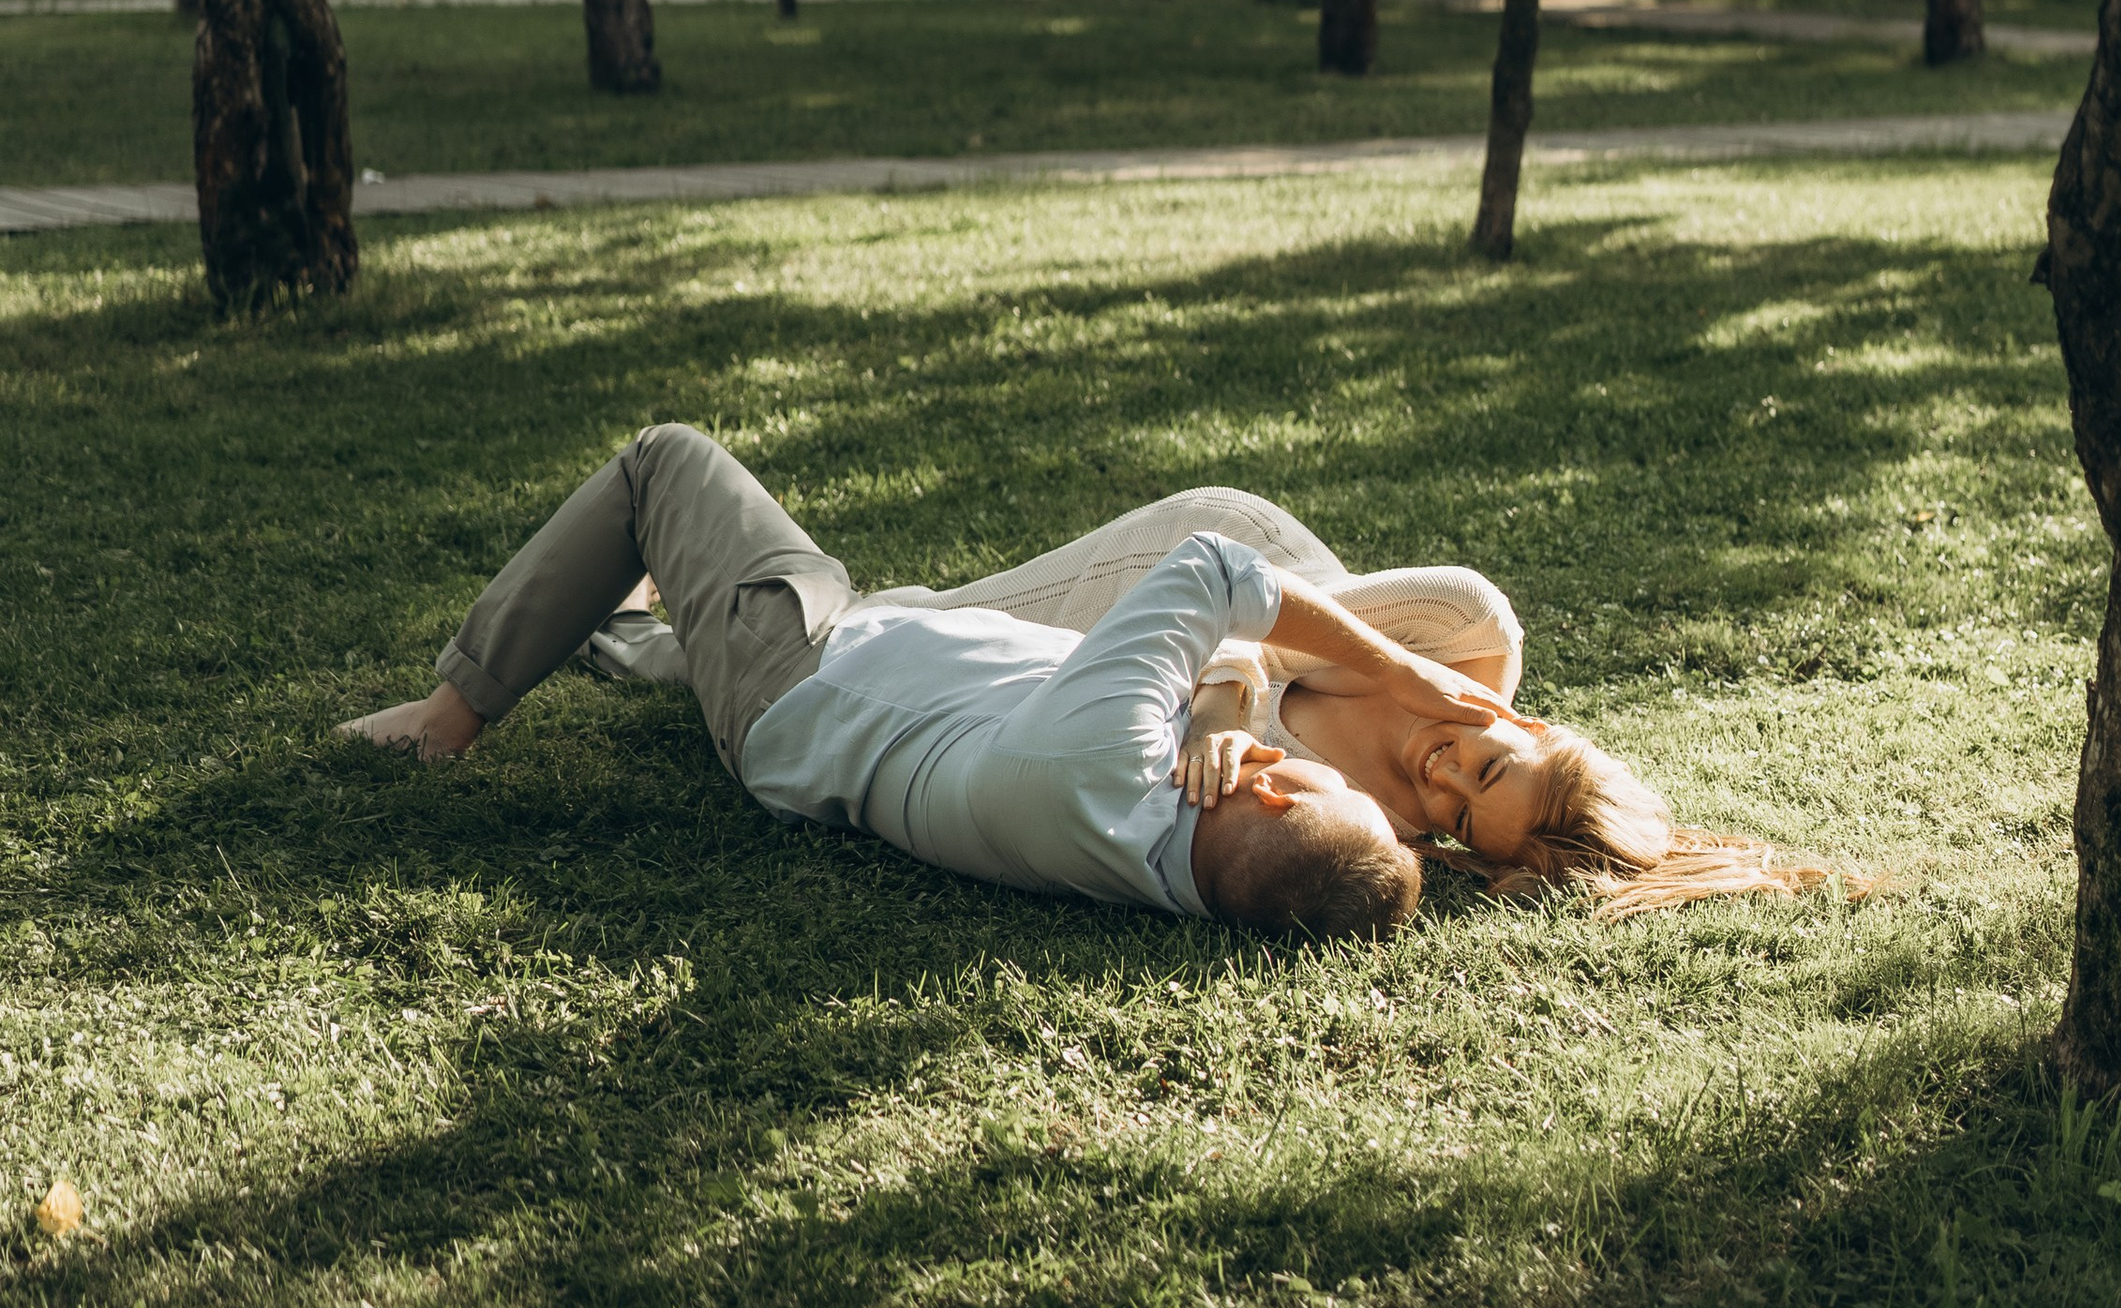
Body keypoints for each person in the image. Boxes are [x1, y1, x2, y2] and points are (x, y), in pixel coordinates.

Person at [348, 448, 1844, 922]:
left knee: (690, 480)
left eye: (1460, 819)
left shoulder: (1286, 818)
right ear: (1518, 721)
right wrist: (1225, 694)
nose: (1438, 784)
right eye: (1481, 762)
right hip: (1080, 631)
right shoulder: (1453, 657)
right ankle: (666, 620)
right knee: (879, 623)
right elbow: (1239, 622)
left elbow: (1215, 609)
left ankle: (471, 702)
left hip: (924, 675)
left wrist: (1212, 698)